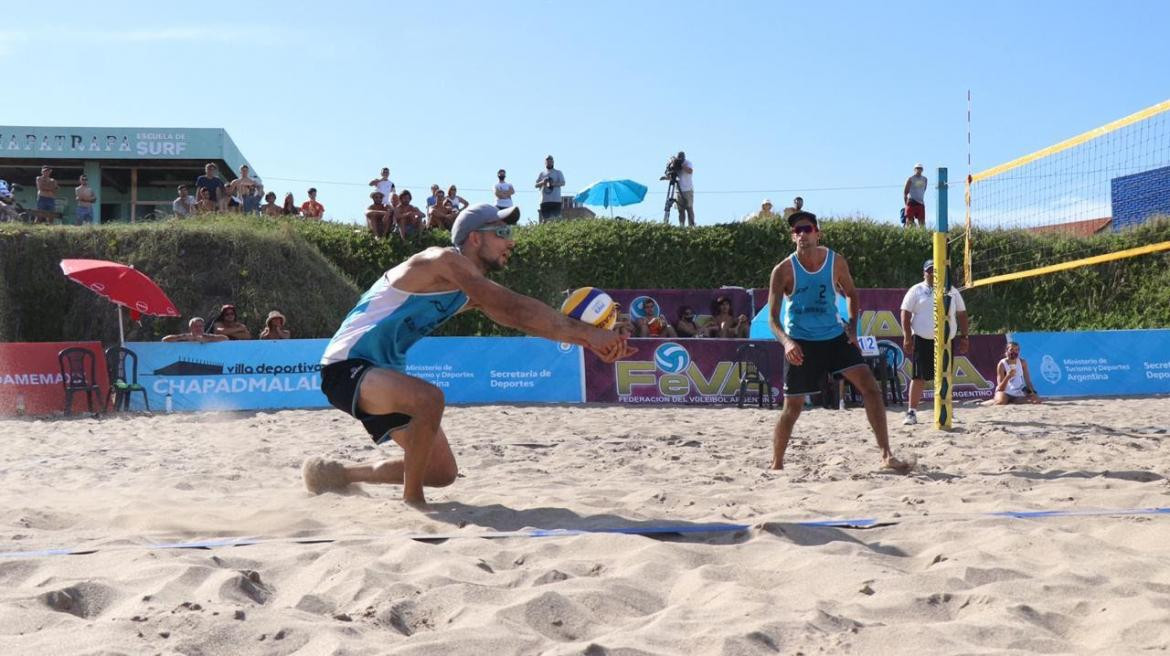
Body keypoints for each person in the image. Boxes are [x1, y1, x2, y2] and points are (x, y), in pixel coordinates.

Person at [305, 203, 634, 507]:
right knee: (429, 398)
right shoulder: (440, 261)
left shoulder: (468, 293)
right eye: (502, 232)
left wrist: (592, 342)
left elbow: (523, 317)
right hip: (346, 365)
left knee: (440, 471)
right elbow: (513, 305)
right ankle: (412, 502)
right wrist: (591, 333)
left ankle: (340, 476)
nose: (512, 242)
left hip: (382, 372)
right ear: (475, 238)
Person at [767, 210, 909, 472]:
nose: (802, 234)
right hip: (801, 342)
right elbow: (773, 320)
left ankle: (887, 455)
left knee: (870, 387)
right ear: (792, 237)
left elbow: (852, 295)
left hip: (833, 337)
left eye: (807, 229)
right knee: (793, 407)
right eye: (797, 231)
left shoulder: (835, 262)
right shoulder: (783, 271)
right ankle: (776, 464)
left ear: (817, 233)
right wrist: (787, 343)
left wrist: (853, 329)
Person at [899, 259, 969, 425]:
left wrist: (965, 336)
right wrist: (907, 337)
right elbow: (905, 313)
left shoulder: (951, 290)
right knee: (919, 377)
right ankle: (911, 412)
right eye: (929, 270)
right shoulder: (916, 290)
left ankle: (947, 411)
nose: (932, 273)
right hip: (923, 340)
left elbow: (962, 313)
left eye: (935, 270)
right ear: (924, 273)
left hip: (946, 340)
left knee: (946, 376)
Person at [534, 155, 565, 222]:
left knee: (557, 220)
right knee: (545, 220)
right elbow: (536, 185)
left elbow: (563, 183)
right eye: (547, 161)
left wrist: (553, 183)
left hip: (555, 200)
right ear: (545, 163)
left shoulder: (558, 172)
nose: (549, 162)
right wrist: (543, 182)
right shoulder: (542, 173)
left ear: (553, 162)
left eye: (551, 161)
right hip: (545, 201)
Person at [162, 317, 228, 343]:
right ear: (190, 328)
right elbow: (165, 339)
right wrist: (183, 337)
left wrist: (207, 339)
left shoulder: (207, 336)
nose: (198, 328)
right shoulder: (185, 337)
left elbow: (225, 338)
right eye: (195, 326)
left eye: (200, 326)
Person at [673, 152, 695, 227]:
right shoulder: (676, 164)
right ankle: (682, 226)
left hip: (688, 189)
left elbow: (690, 171)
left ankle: (691, 226)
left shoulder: (688, 163)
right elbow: (675, 176)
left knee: (689, 208)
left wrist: (682, 166)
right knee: (680, 210)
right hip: (679, 190)